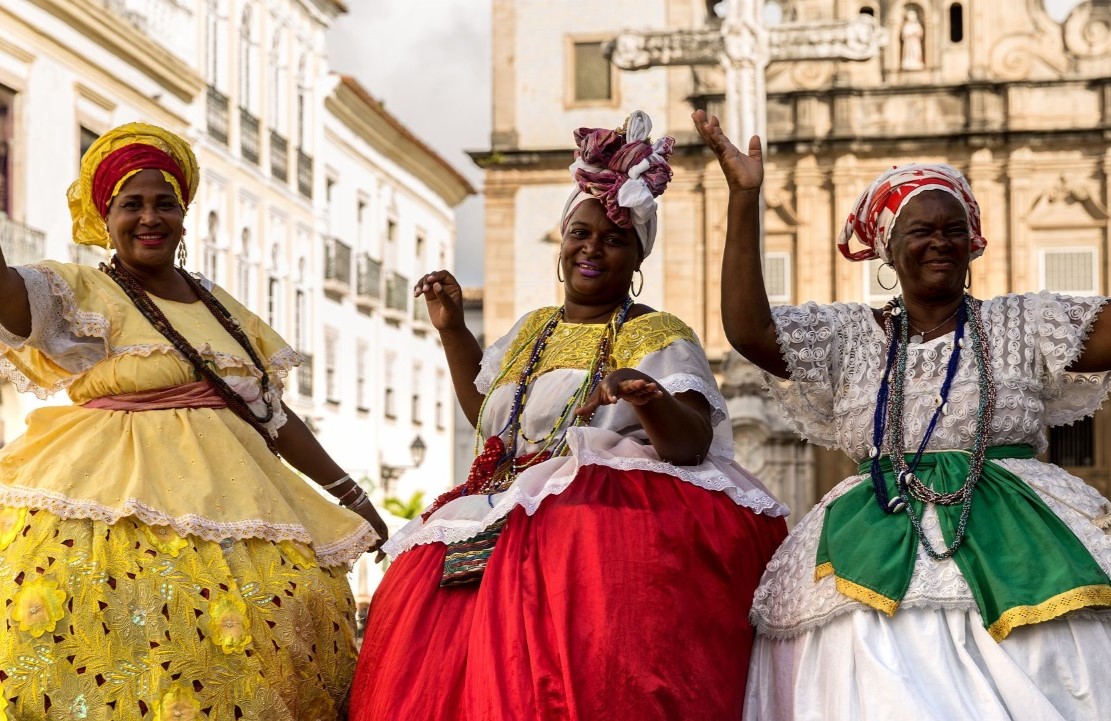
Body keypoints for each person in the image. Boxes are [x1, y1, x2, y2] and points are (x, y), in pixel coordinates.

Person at [349, 110, 788, 720]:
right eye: (580, 233)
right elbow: (493, 422)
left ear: (637, 257)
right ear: (561, 242)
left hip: (587, 544)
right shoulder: (532, 329)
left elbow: (691, 446)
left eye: (614, 238)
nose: (592, 248)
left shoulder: (656, 333)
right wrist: (453, 333)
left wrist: (644, 396)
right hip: (494, 515)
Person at [693, 109, 1111, 720]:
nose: (940, 240)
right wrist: (743, 198)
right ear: (886, 249)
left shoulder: (1023, 322)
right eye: (920, 230)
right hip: (878, 527)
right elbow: (750, 330)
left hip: (1018, 536)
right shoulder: (848, 336)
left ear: (972, 244)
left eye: (953, 229)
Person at [0, 122, 388, 720]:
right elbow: (8, 296)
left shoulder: (223, 309)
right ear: (107, 218)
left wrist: (353, 496)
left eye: (165, 203)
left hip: (241, 494)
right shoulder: (83, 291)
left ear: (184, 216)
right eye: (131, 204)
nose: (149, 218)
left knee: (289, 613)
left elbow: (272, 416)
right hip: (105, 489)